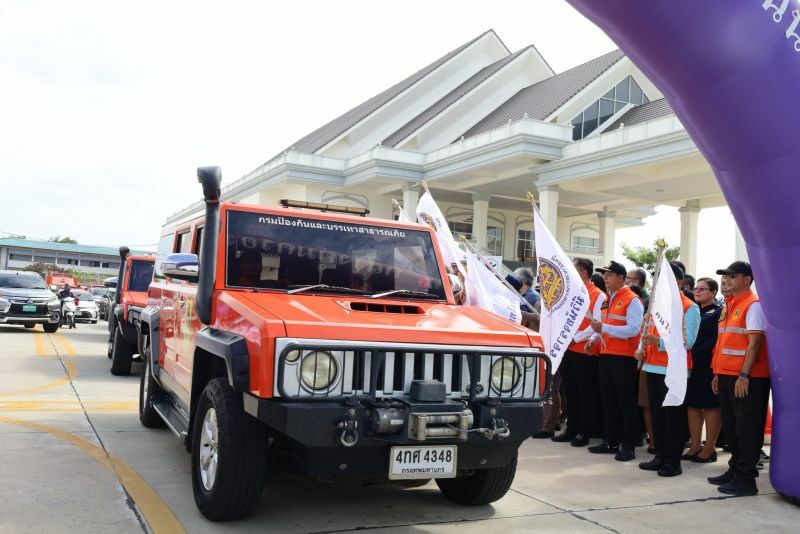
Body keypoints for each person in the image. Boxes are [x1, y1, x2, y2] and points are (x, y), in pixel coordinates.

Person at [709, 261, 770, 496]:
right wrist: (717, 373)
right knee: (732, 428)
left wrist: (744, 375)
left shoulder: (753, 305)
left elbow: (754, 344)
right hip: (726, 375)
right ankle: (735, 469)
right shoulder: (728, 306)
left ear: (747, 279)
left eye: (732, 275)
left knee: (747, 429)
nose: (727, 279)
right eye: (725, 275)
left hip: (746, 378)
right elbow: (723, 343)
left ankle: (746, 480)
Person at [637, 262, 700, 477]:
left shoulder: (689, 307)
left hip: (674, 371)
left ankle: (673, 462)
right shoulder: (657, 306)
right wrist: (643, 349)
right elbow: (648, 333)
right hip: (652, 367)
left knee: (673, 418)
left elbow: (688, 342)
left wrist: (659, 343)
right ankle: (661, 456)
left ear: (679, 283)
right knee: (658, 417)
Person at [586, 260, 643, 462]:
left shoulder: (632, 300)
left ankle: (628, 445)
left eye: (609, 275)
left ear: (621, 277)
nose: (606, 278)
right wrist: (593, 338)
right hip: (606, 354)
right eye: (605, 275)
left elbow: (633, 329)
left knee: (625, 403)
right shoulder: (607, 299)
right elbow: (603, 326)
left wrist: (604, 329)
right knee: (609, 400)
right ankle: (611, 440)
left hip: (624, 358)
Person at [551, 257, 606, 446]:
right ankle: (571, 429)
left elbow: (597, 324)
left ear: (583, 272)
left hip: (584, 351)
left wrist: (576, 337)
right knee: (571, 393)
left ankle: (584, 432)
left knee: (585, 394)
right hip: (568, 349)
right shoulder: (571, 292)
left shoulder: (598, 295)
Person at [683, 277, 723, 463]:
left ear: (714, 292)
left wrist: (695, 354)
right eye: (697, 288)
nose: (698, 291)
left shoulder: (717, 312)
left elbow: (714, 339)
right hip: (690, 364)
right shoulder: (692, 310)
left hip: (706, 364)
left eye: (703, 289)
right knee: (692, 405)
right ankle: (695, 445)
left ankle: (709, 449)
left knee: (709, 406)